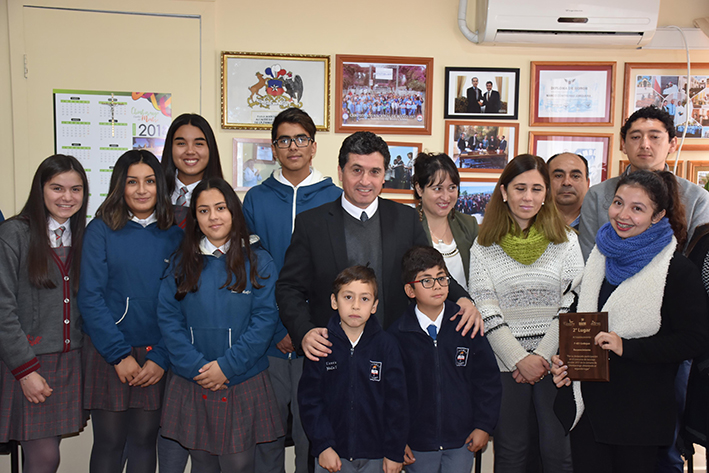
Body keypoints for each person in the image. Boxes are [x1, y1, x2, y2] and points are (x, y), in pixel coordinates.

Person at [276, 131, 482, 364]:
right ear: (340, 172)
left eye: (374, 172)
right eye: (356, 170)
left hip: (395, 353)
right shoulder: (311, 224)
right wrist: (304, 331)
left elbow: (431, 271)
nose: (365, 181)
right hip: (331, 355)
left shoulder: (405, 219)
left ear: (384, 175)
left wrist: (463, 299)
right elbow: (289, 288)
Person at [552, 170, 709, 472]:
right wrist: (564, 360)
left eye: (637, 208)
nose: (623, 215)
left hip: (640, 416)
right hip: (589, 412)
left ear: (657, 216)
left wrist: (627, 346)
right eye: (618, 203)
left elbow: (695, 339)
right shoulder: (600, 256)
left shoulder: (676, 270)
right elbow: (579, 317)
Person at [157, 177, 283, 473]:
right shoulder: (181, 262)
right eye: (204, 210)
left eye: (220, 208)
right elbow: (168, 318)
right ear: (195, 217)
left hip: (242, 377)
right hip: (193, 376)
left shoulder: (259, 261)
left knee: (238, 462)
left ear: (234, 212)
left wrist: (226, 367)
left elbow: (264, 321)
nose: (213, 217)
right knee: (202, 460)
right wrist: (196, 367)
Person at [467, 154, 583, 473]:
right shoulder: (483, 245)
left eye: (536, 188)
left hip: (554, 363)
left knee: (557, 451)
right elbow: (484, 305)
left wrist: (541, 356)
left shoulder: (567, 241)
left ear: (546, 193)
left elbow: (573, 301)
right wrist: (518, 358)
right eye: (520, 188)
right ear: (504, 192)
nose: (528, 197)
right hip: (506, 366)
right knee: (511, 453)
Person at [243, 107, 341, 473]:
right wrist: (280, 328)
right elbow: (252, 269)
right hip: (267, 340)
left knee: (312, 437)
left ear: (314, 146)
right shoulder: (256, 199)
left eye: (301, 139)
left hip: (319, 339)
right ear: (274, 148)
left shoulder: (334, 198)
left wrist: (302, 328)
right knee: (265, 437)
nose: (293, 146)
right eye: (284, 140)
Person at [78, 150, 182, 473]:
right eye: (132, 182)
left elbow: (181, 304)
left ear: (160, 186)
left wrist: (161, 357)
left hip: (154, 355)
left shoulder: (175, 235)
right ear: (119, 186)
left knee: (144, 440)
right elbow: (90, 298)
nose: (141, 190)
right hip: (109, 350)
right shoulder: (100, 230)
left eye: (149, 181)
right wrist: (118, 355)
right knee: (109, 441)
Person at [0, 155, 88, 473]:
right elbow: (3, 309)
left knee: (49, 454)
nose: (67, 197)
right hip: (27, 364)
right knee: (45, 458)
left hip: (69, 364)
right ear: (40, 190)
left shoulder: (82, 236)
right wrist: (25, 371)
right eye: (57, 188)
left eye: (76, 189)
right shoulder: (14, 234)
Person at [389, 246, 501, 473]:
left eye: (441, 278)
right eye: (426, 281)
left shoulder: (466, 326)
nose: (437, 286)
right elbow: (391, 395)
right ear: (410, 290)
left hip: (461, 441)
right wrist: (396, 439)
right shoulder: (397, 335)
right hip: (418, 444)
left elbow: (487, 379)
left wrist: (483, 425)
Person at [299, 265, 407, 473]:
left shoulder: (387, 346)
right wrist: (323, 446)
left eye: (364, 299)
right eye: (348, 297)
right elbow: (309, 401)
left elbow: (398, 404)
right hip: (332, 456)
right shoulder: (321, 345)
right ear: (334, 301)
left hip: (377, 456)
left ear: (374, 306)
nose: (356, 306)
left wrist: (394, 452)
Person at [580, 106, 709, 259]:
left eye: (654, 137)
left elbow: (698, 260)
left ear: (672, 144)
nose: (644, 145)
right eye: (635, 137)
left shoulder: (697, 198)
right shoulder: (597, 195)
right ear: (623, 144)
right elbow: (588, 257)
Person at [412, 152, 479, 287]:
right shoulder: (408, 226)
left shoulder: (468, 224)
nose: (446, 197)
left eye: (452, 188)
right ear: (419, 189)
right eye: (438, 189)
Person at [161, 113, 224, 229]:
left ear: (210, 149)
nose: (190, 151)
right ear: (170, 148)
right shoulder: (152, 194)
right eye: (181, 143)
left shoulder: (226, 200)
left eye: (198, 144)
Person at [547, 153, 590, 229]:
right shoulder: (531, 221)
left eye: (575, 176)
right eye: (558, 176)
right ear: (546, 182)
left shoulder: (601, 223)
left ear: (587, 183)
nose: (566, 182)